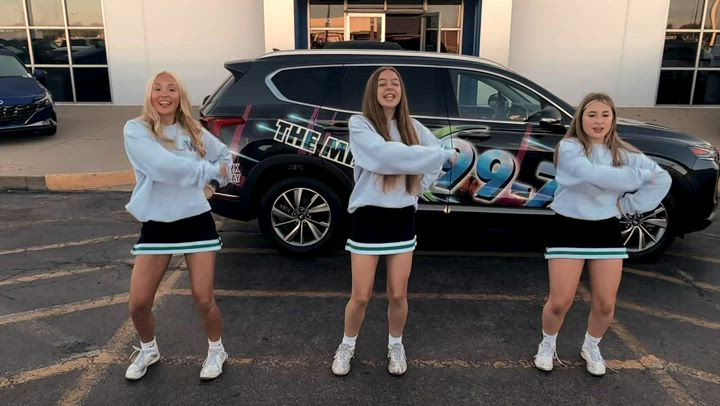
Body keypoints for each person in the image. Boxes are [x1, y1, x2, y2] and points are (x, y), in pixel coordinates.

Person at [533, 92, 671, 376]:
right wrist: (633, 177)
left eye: (605, 115)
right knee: (560, 301)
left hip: (605, 230)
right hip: (568, 227)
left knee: (606, 303)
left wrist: (628, 205)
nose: (598, 121)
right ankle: (547, 345)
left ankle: (591, 347)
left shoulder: (624, 153)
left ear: (613, 119)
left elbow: (662, 178)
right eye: (592, 114)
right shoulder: (568, 147)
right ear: (581, 118)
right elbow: (592, 175)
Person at [331, 66, 456, 377]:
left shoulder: (414, 127)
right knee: (361, 296)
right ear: (372, 92)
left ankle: (395, 345)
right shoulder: (360, 124)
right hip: (368, 217)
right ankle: (347, 344)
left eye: (395, 83)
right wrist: (434, 157)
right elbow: (384, 157)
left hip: (401, 218)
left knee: (398, 293)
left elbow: (435, 158)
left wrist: (417, 189)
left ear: (402, 91)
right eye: (382, 84)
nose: (389, 88)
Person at [122, 71, 232, 380]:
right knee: (138, 303)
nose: (164, 94)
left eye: (171, 89)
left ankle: (216, 350)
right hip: (157, 224)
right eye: (157, 88)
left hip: (196, 223)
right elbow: (162, 168)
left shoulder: (193, 130)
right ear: (149, 94)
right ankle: (148, 350)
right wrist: (205, 172)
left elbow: (226, 159)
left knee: (203, 297)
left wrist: (214, 182)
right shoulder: (136, 129)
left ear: (180, 95)